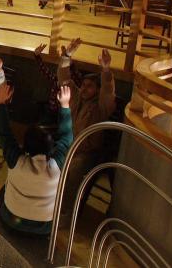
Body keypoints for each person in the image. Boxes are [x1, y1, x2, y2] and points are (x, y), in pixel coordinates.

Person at [41, 39, 116, 212]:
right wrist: (67, 55)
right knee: (44, 161)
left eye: (90, 87)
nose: (84, 88)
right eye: (83, 85)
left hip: (86, 152)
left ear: (97, 90)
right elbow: (63, 77)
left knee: (71, 172)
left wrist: (105, 70)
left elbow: (108, 91)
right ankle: (44, 200)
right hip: (66, 145)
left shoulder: (102, 106)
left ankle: (64, 212)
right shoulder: (74, 94)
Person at [0, 83, 74, 235]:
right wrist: (65, 106)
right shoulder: (57, 165)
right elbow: (66, 137)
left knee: (3, 191)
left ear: (25, 146)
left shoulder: (16, 161)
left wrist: (1, 104)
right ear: (51, 147)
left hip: (12, 222)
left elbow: (4, 133)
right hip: (45, 229)